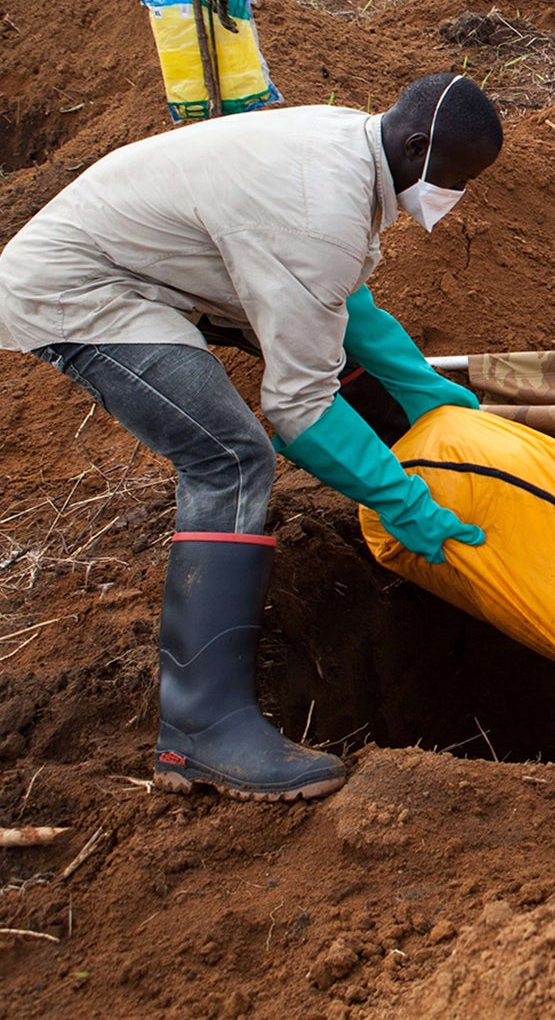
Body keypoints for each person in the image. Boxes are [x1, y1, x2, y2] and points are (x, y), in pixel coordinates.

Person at [0, 74, 504, 800]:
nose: (454, 196)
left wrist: (423, 388)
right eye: (454, 180)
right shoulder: (318, 210)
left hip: (162, 263)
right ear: (418, 145)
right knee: (230, 458)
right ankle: (201, 731)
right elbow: (297, 410)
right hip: (86, 287)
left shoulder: (353, 145)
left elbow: (342, 302)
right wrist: (403, 504)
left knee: (343, 368)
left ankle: (406, 463)